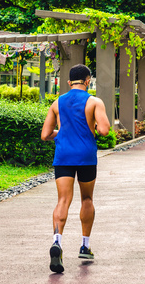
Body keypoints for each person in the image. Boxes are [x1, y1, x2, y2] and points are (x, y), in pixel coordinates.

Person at [41, 64, 110, 273]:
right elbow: (105, 130)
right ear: (88, 81)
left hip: (63, 156)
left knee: (63, 200)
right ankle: (85, 246)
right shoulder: (94, 102)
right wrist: (91, 128)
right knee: (87, 199)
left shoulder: (57, 103)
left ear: (70, 82)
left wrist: (61, 134)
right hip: (86, 156)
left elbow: (45, 134)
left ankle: (57, 242)